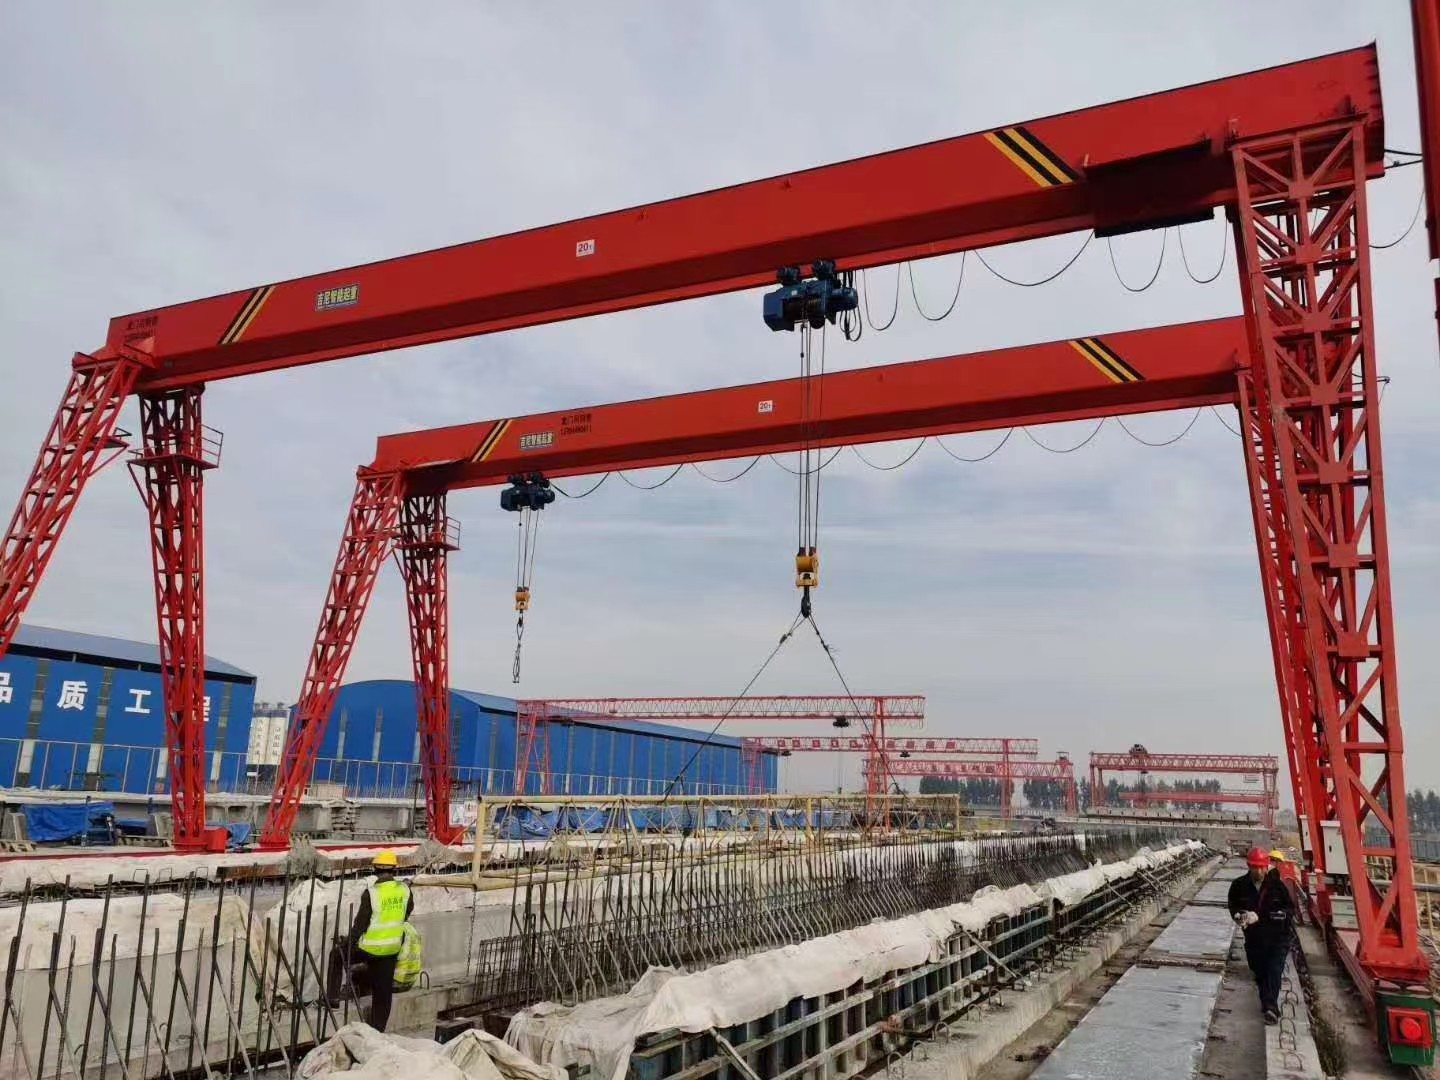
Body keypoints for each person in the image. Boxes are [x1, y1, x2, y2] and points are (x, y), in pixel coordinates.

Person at [325, 850, 414, 1031]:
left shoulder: (371, 893)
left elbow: (359, 926)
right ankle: (377, 1031)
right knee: (383, 994)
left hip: (369, 949)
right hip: (392, 948)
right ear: (394, 869)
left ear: (375, 870)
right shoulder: (405, 890)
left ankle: (332, 999)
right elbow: (406, 913)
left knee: (336, 955)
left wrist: (346, 944)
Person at [1228, 845, 1295, 1024]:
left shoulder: (1277, 887)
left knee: (1274, 969)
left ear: (1266, 867)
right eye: (1254, 867)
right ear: (1248, 866)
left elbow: (1289, 910)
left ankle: (1270, 1008)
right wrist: (1238, 916)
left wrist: (1264, 916)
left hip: (1277, 937)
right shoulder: (1239, 886)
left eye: (1261, 867)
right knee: (1260, 972)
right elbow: (1233, 905)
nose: (1258, 871)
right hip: (1255, 939)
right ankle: (1267, 1002)